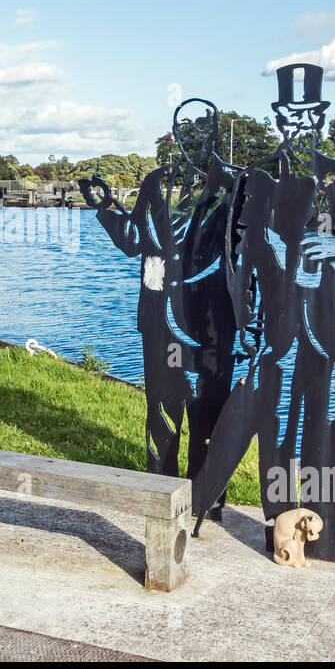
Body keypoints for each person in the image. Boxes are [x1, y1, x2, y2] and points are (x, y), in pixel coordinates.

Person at [194, 64, 335, 564]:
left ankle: (324, 522)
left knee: (322, 420)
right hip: (275, 322)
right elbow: (234, 251)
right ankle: (279, 521)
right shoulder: (257, 178)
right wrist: (245, 313)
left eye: (308, 113)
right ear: (278, 118)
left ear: (320, 115)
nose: (300, 122)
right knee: (271, 421)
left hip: (324, 324)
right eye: (290, 114)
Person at [79, 99, 238, 520]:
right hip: (160, 318)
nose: (192, 139)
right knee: (162, 410)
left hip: (212, 320)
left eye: (201, 132)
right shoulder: (156, 182)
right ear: (175, 136)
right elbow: (134, 240)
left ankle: (206, 499)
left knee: (209, 411)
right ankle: (162, 493)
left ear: (215, 135)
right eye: (184, 131)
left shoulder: (235, 188)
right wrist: (104, 206)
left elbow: (251, 252)